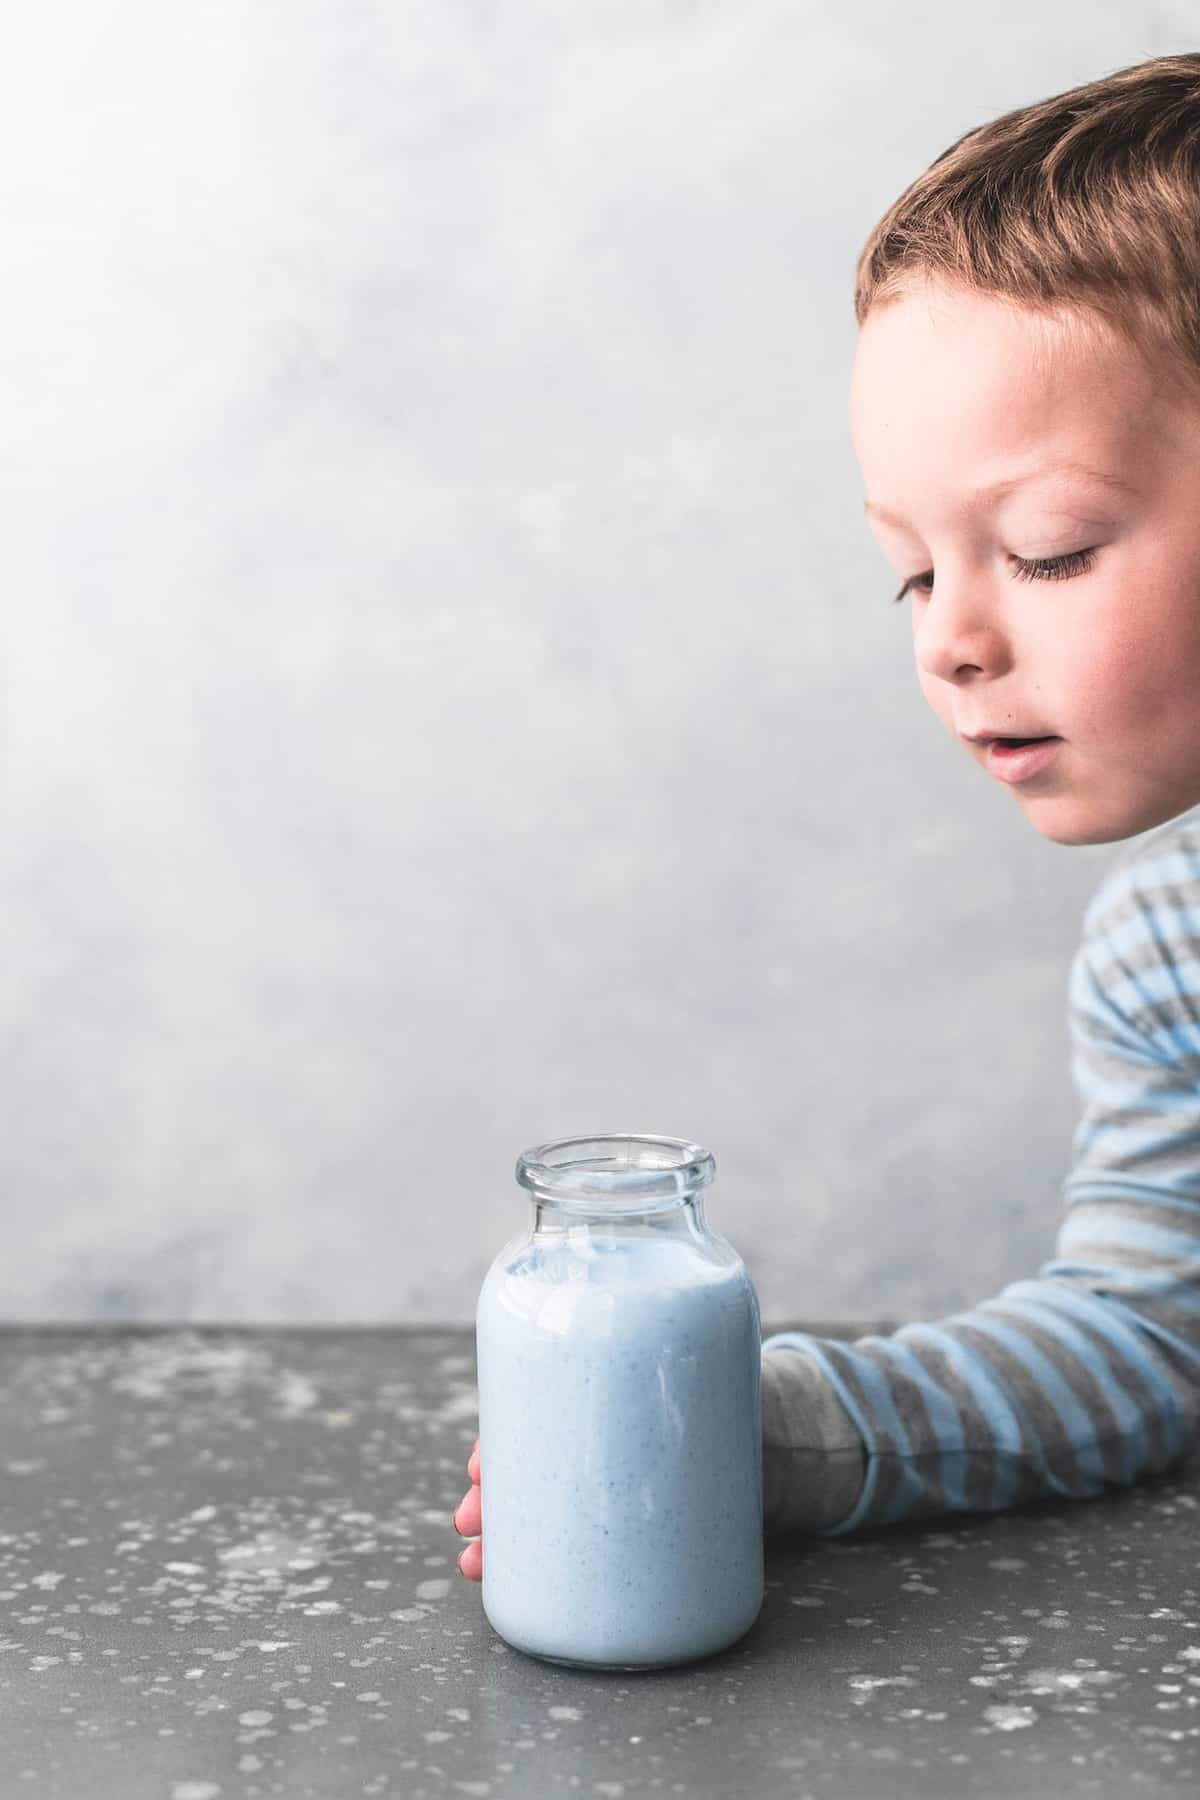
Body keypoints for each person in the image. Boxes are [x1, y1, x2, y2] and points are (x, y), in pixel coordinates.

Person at [454, 51, 1200, 1579]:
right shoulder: (1166, 956)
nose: (946, 639)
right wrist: (787, 1429)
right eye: (916, 571)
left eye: (1047, 549)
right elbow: (1146, 1336)